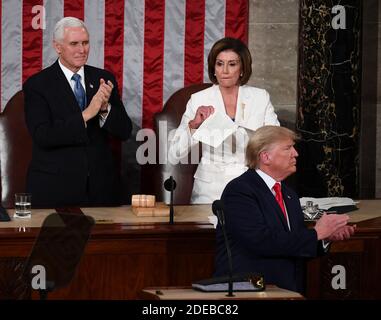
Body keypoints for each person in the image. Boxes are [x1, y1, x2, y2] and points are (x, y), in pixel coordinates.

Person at [214, 126, 356, 293]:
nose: (295, 153)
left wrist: (325, 238)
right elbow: (261, 241)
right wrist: (316, 233)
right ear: (265, 156)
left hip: (288, 289)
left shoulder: (289, 194)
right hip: (251, 289)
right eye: (288, 148)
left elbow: (294, 242)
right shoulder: (240, 190)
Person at [23, 17, 132, 207]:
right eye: (74, 44)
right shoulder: (37, 85)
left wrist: (105, 108)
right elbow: (43, 135)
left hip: (102, 190)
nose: (82, 50)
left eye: (85, 43)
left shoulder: (103, 78)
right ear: (58, 47)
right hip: (55, 190)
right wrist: (87, 114)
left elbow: (125, 131)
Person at [168, 37, 279, 204]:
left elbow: (276, 142)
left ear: (242, 68)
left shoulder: (260, 97)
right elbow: (174, 153)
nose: (225, 70)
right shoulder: (198, 99)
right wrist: (193, 126)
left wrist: (238, 131)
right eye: (220, 64)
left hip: (252, 185)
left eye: (232, 64)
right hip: (210, 191)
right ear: (214, 68)